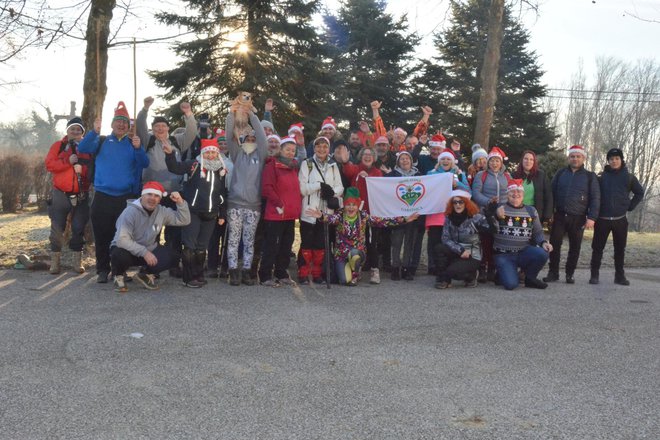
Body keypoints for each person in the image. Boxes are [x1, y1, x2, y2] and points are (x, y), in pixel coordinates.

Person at [77, 101, 149, 283]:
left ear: (128, 125)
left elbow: (144, 163)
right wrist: (94, 130)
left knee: (123, 236)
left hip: (125, 198)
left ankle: (120, 270)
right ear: (112, 124)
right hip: (102, 196)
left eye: (124, 121)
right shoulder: (100, 141)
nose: (121, 124)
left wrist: (139, 148)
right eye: (118, 120)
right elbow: (82, 148)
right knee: (102, 235)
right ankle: (102, 269)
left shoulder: (132, 144)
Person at [305, 187, 418, 286]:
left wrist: (404, 219)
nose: (351, 208)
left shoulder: (363, 216)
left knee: (354, 255)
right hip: (341, 255)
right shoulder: (340, 215)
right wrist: (321, 216)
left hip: (357, 253)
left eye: (353, 205)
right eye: (348, 204)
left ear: (358, 205)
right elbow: (330, 219)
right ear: (344, 205)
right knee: (345, 281)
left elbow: (382, 221)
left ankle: (356, 270)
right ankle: (350, 272)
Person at [136, 97, 197, 278]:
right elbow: (140, 125)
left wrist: (188, 114)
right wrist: (145, 109)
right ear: (153, 129)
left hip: (173, 192)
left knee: (174, 232)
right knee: (150, 233)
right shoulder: (148, 140)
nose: (160, 129)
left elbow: (191, 132)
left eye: (163, 126)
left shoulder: (177, 141)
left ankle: (172, 264)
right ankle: (149, 265)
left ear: (168, 128)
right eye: (156, 127)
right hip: (151, 194)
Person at [164, 138, 228, 288]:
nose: (211, 155)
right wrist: (170, 155)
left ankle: (198, 274)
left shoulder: (221, 169)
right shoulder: (194, 165)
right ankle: (188, 277)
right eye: (208, 152)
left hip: (211, 214)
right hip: (192, 212)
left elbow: (222, 193)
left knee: (201, 247)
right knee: (190, 245)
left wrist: (222, 214)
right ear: (203, 153)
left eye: (214, 152)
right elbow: (175, 168)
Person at [110, 182, 191, 293]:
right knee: (119, 254)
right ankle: (118, 275)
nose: (152, 198)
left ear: (160, 199)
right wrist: (144, 252)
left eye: (156, 196)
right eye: (149, 194)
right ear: (142, 195)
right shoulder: (130, 212)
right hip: (127, 250)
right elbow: (121, 240)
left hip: (148, 249)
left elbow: (184, 220)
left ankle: (144, 274)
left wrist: (180, 203)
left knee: (173, 257)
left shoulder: (162, 211)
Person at [544, 145, 600, 284]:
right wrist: (550, 212)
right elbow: (551, 193)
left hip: (579, 217)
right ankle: (553, 273)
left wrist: (592, 218)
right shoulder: (561, 173)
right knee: (554, 245)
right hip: (560, 216)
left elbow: (595, 198)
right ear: (569, 158)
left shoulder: (589, 176)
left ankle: (570, 274)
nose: (575, 159)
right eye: (572, 156)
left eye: (578, 156)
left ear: (583, 158)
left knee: (575, 247)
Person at [589, 148, 644, 286]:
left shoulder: (629, 177)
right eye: (611, 159)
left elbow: (639, 193)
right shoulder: (601, 177)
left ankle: (619, 276)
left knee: (620, 249)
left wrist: (630, 206)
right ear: (608, 161)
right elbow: (594, 195)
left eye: (617, 158)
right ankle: (594, 275)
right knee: (597, 248)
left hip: (620, 220)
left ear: (621, 160)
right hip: (602, 220)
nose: (614, 161)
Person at [44, 117, 93, 274]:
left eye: (79, 129)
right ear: (67, 130)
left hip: (81, 194)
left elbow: (92, 169)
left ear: (82, 132)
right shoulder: (58, 146)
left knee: (78, 227)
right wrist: (67, 162)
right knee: (57, 227)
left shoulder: (87, 148)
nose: (75, 132)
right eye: (72, 129)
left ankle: (77, 262)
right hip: (61, 193)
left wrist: (83, 171)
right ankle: (55, 263)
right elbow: (50, 164)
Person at [225, 110, 268, 286]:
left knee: (249, 240)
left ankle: (247, 270)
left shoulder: (261, 155)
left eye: (253, 139)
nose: (250, 141)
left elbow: (263, 138)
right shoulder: (237, 154)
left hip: (253, 206)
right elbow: (229, 136)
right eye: (247, 139)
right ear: (242, 141)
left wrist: (253, 117)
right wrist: (232, 116)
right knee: (234, 239)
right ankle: (233, 271)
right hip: (235, 204)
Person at [490, 179, 553, 290]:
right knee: (511, 285)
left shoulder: (531, 210)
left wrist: (543, 242)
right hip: (504, 254)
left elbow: (537, 231)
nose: (516, 194)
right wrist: (494, 213)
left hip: (523, 252)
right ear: (507, 194)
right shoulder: (500, 208)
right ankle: (502, 273)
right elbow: (488, 225)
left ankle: (530, 278)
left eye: (519, 192)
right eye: (512, 192)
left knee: (542, 253)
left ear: (523, 195)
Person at [298, 136, 344, 284]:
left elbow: (340, 186)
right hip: (309, 211)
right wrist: (318, 185)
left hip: (325, 211)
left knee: (320, 244)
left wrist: (331, 192)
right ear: (314, 148)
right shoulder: (307, 164)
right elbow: (302, 188)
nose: (321, 149)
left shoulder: (333, 165)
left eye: (324, 146)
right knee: (307, 243)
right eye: (318, 146)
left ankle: (317, 273)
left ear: (328, 149)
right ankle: (303, 273)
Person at [337, 147, 385, 283]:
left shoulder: (377, 172)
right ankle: (355, 270)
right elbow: (348, 171)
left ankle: (374, 270)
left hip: (371, 213)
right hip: (355, 214)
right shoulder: (356, 168)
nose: (368, 157)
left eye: (370, 154)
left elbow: (380, 187)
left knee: (372, 243)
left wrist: (369, 178)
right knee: (356, 243)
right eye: (365, 154)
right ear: (360, 156)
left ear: (374, 157)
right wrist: (346, 162)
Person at [258, 137, 301, 286]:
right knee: (272, 245)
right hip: (276, 212)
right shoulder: (272, 165)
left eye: (293, 150)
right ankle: (265, 274)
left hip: (289, 213)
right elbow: (267, 187)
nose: (290, 152)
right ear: (281, 150)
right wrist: (278, 203)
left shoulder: (294, 166)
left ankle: (281, 272)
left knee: (286, 245)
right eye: (287, 149)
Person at [425, 148, 471, 276]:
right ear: (439, 161)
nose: (445, 161)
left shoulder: (460, 174)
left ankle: (447, 265)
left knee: (449, 241)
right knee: (434, 240)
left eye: (448, 159)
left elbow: (468, 191)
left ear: (453, 162)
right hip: (435, 212)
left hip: (452, 213)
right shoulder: (431, 173)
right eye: (443, 159)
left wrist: (458, 184)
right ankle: (433, 266)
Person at [433, 190, 492, 289]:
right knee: (439, 248)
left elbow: (491, 230)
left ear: (467, 203)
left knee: (453, 272)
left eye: (461, 202)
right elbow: (445, 238)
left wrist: (490, 216)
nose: (458, 205)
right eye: (455, 202)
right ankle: (444, 280)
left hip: (472, 254)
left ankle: (471, 276)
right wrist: (460, 250)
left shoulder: (475, 217)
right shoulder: (448, 218)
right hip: (458, 251)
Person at [471, 146, 511, 282]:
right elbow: (475, 193)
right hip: (485, 213)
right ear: (488, 162)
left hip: (503, 214)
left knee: (498, 241)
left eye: (497, 161)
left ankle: (493, 268)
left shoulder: (507, 176)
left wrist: (505, 207)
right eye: (492, 161)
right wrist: (489, 202)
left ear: (501, 163)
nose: (494, 163)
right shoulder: (481, 175)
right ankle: (482, 268)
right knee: (485, 241)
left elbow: (511, 192)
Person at [382, 150, 421, 281]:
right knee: (396, 242)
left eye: (407, 158)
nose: (405, 161)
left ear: (411, 161)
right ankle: (395, 267)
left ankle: (406, 267)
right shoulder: (392, 175)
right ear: (398, 162)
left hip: (414, 215)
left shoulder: (419, 175)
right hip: (397, 215)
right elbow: (382, 187)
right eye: (402, 159)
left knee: (410, 242)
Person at [512, 150, 553, 223]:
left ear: (534, 162)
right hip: (516, 211)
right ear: (522, 160)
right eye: (526, 159)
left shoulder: (541, 175)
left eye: (531, 159)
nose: (528, 161)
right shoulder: (514, 175)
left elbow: (548, 196)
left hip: (535, 212)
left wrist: (547, 215)